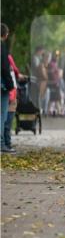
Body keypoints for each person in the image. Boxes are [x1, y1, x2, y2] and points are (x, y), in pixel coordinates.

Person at [1, 24, 16, 153]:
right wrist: (10, 85)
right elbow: (5, 68)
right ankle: (1, 143)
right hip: (2, 86)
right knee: (2, 115)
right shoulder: (2, 47)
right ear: (5, 35)